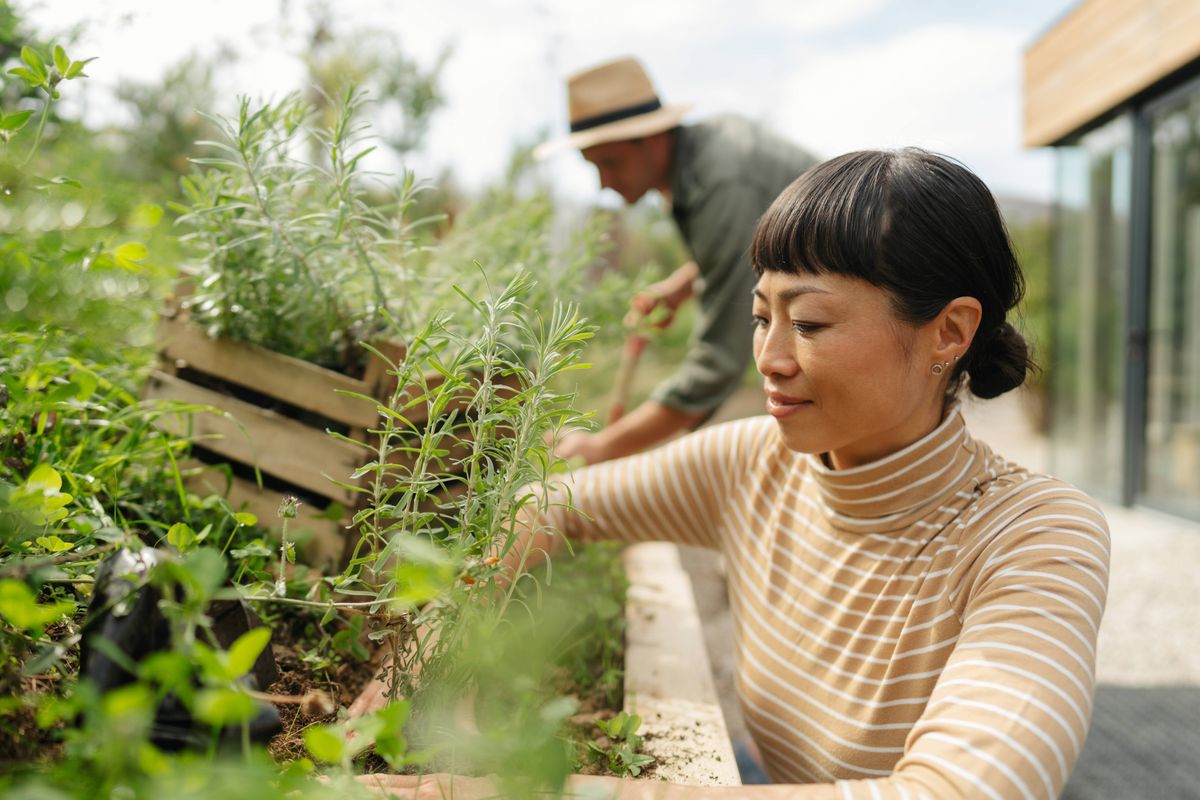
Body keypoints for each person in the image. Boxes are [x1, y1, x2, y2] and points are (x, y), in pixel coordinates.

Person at [353, 148, 1111, 798]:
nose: (772, 359)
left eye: (809, 323)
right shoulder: (754, 460)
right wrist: (435, 658)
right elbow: (547, 501)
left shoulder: (1037, 535)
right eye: (761, 317)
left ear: (950, 331)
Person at [536, 56, 819, 464]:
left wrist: (605, 447)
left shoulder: (720, 180)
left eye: (611, 162)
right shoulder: (704, 154)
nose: (603, 182)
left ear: (652, 139)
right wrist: (680, 287)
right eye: (593, 166)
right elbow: (758, 246)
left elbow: (718, 362)